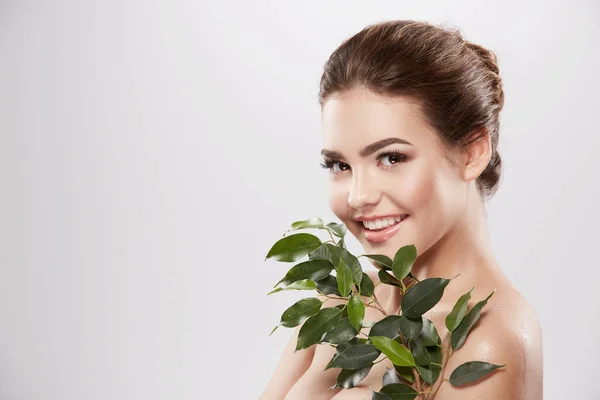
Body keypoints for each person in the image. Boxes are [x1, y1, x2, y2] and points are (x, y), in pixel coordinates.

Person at [260, 19, 543, 400]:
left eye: (391, 158)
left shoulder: (488, 339)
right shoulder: (343, 308)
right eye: (340, 166)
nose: (359, 196)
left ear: (472, 152)